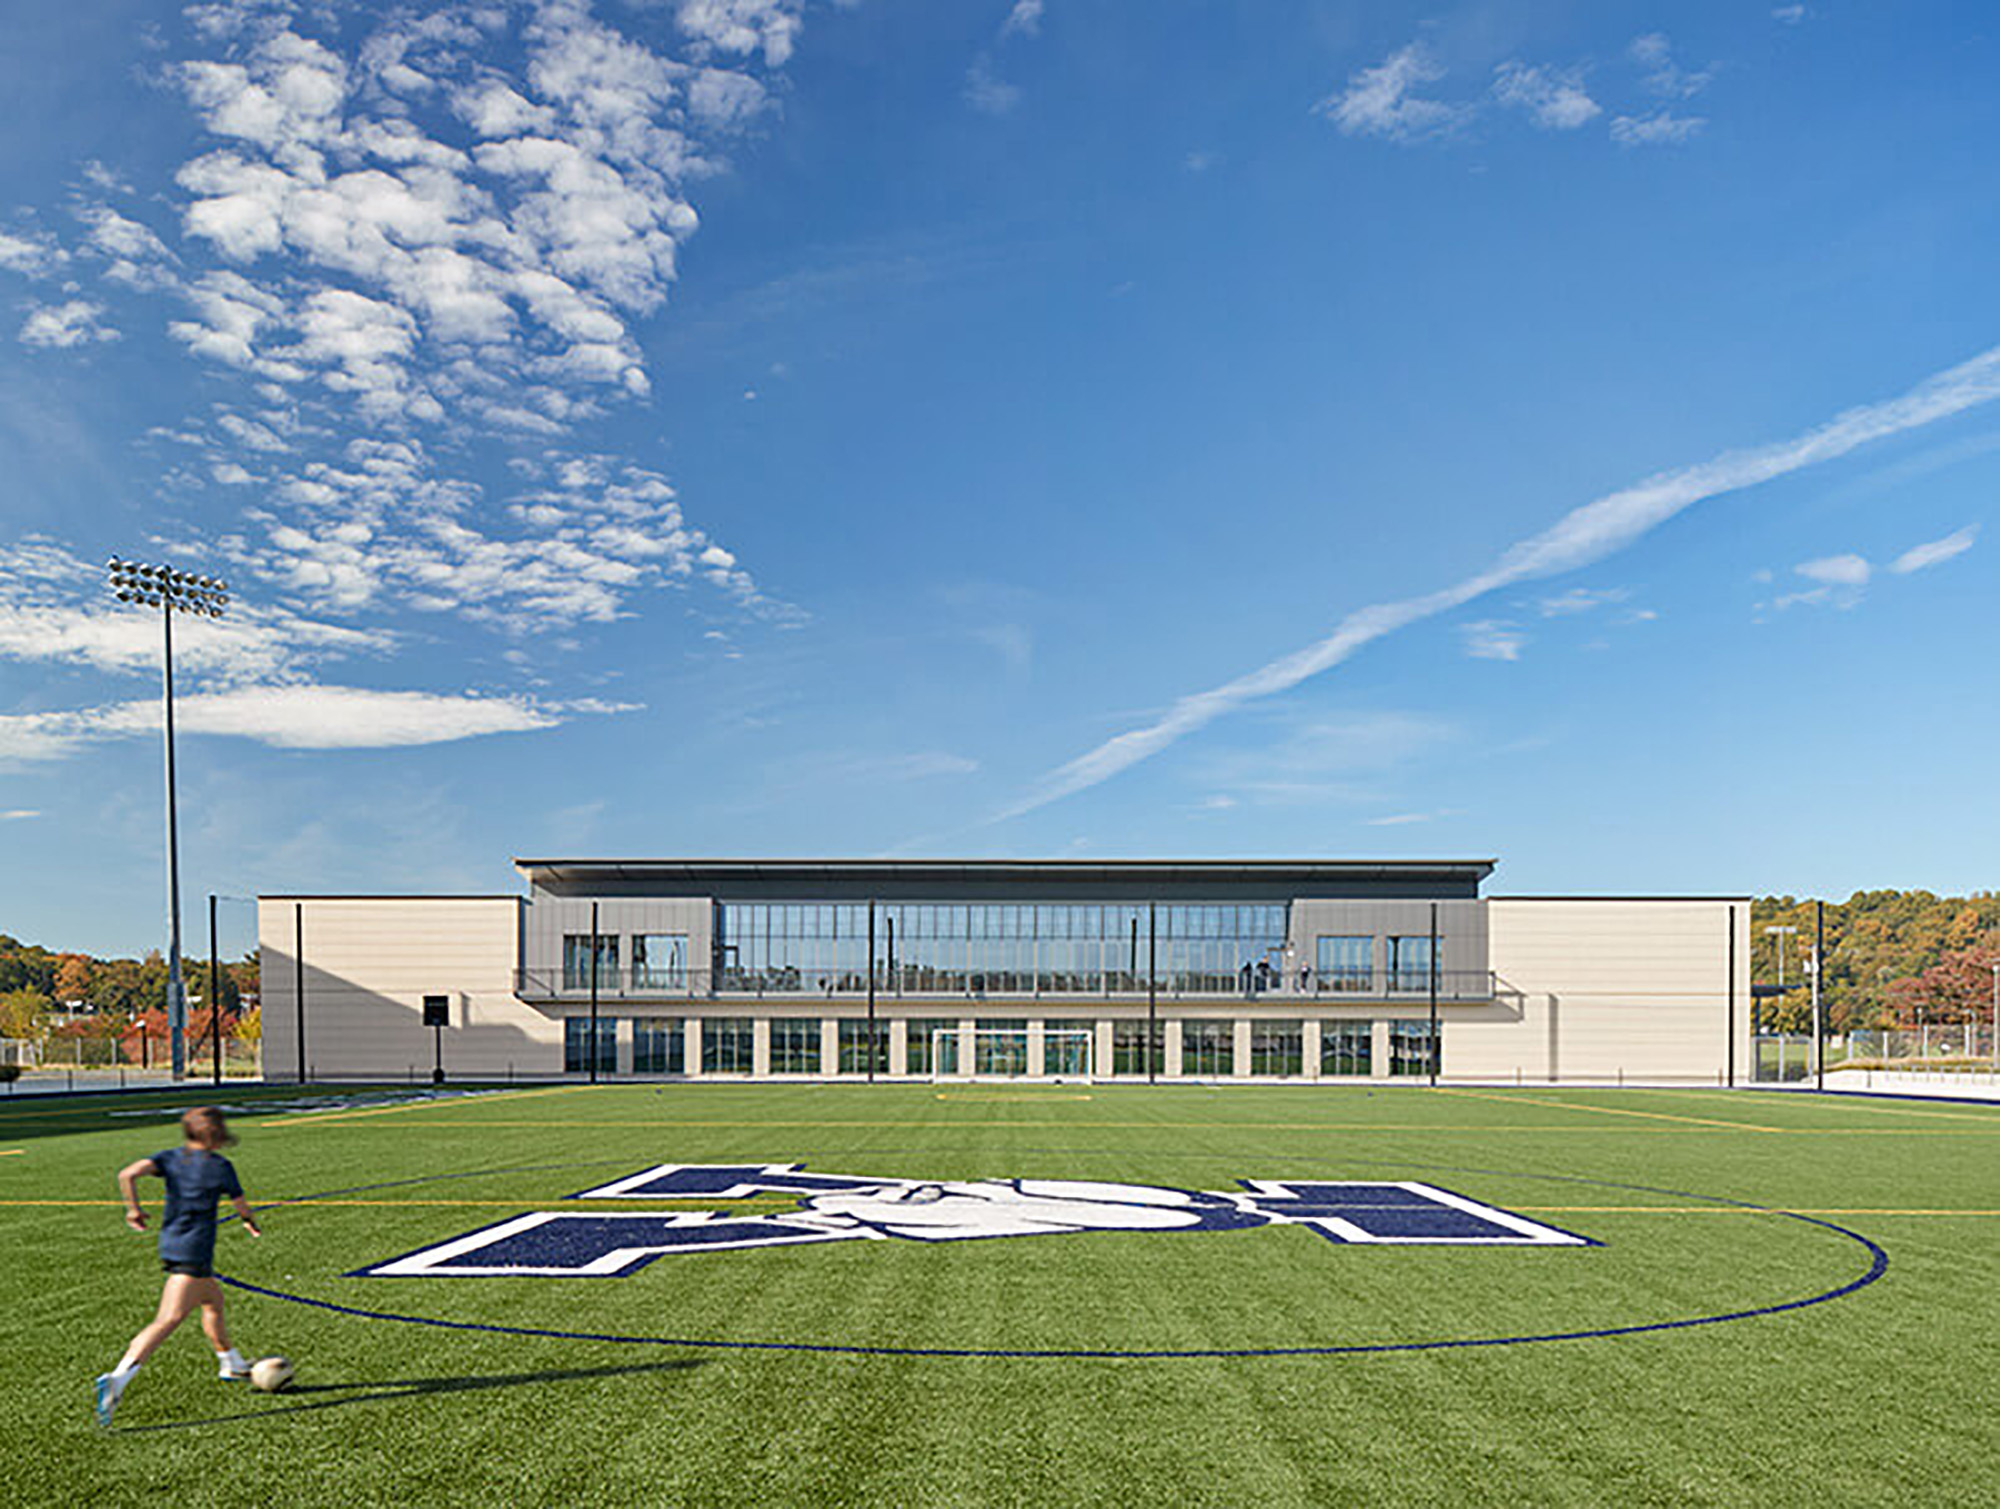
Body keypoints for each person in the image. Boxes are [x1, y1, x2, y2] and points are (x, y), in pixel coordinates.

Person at [95, 1106, 263, 1427]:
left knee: (213, 1300)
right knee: (169, 1318)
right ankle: (118, 1378)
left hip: (171, 1242)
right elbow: (241, 1205)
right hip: (194, 1250)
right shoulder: (221, 1167)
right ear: (215, 1137)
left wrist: (134, 1211)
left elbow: (127, 1174)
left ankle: (230, 1362)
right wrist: (250, 1223)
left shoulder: (170, 1158)